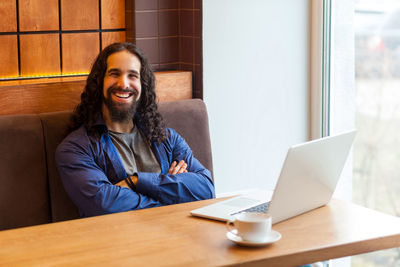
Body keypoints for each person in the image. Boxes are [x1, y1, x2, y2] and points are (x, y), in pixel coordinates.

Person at [56, 42, 215, 217]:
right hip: (118, 242)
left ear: (142, 85)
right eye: (114, 74)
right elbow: (105, 206)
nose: (123, 83)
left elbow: (206, 188)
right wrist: (172, 189)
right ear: (99, 82)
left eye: (132, 75)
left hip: (178, 236)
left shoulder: (167, 138)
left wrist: (135, 181)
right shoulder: (76, 149)